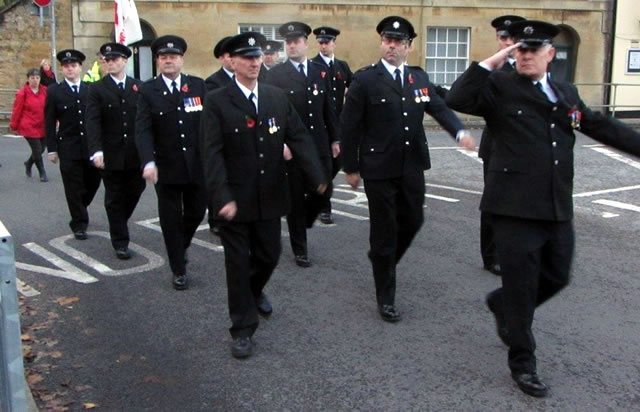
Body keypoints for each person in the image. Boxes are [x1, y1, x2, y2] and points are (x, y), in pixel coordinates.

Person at [445, 20, 640, 398]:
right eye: (521, 49)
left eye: (534, 49)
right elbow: (457, 99)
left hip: (555, 203)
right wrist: (495, 60)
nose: (526, 55)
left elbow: (598, 125)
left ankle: (500, 305)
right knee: (521, 289)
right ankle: (523, 363)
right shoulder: (499, 87)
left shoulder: (564, 92)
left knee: (558, 275)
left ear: (550, 54)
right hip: (513, 208)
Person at [200, 32, 327, 359]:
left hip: (270, 194)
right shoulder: (216, 100)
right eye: (247, 58)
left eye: (257, 57)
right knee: (238, 264)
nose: (255, 63)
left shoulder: (274, 96)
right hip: (234, 199)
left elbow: (298, 137)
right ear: (232, 61)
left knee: (269, 254)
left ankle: (253, 292)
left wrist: (317, 178)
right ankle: (242, 328)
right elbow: (211, 153)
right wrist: (220, 196)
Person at [340, 16, 474, 323]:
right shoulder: (365, 80)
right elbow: (349, 127)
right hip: (378, 168)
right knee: (384, 231)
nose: (392, 46)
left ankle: (382, 261)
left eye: (398, 42)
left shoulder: (418, 78)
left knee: (414, 219)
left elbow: (438, 108)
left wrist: (459, 132)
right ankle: (386, 295)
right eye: (387, 40)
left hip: (411, 164)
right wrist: (350, 166)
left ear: (409, 47)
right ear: (381, 43)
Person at [135, 35, 208, 291]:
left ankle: (181, 244)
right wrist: (148, 162)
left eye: (173, 57)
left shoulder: (198, 86)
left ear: (181, 60)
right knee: (169, 218)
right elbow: (142, 130)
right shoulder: (147, 90)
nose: (169, 61)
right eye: (164, 57)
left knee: (197, 212)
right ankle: (178, 268)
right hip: (165, 167)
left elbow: (209, 125)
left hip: (197, 166)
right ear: (157, 61)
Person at [264, 21, 338, 268]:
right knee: (295, 199)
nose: (292, 46)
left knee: (324, 188)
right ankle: (300, 248)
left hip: (319, 145)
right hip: (292, 149)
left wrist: (336, 138)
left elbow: (329, 108)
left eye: (296, 42)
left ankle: (304, 219)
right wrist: (279, 143)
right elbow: (271, 113)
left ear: (306, 44)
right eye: (288, 42)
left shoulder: (320, 71)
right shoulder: (275, 75)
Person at [86, 42, 146, 260]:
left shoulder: (138, 87)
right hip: (110, 155)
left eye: (115, 59)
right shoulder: (97, 89)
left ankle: (120, 221)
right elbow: (92, 122)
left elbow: (144, 122)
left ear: (125, 61)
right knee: (114, 197)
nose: (110, 63)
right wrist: (96, 150)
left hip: (135, 154)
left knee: (135, 191)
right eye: (107, 60)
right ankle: (120, 241)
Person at [478, 15, 526, 276]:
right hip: (497, 147)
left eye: (511, 38)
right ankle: (491, 255)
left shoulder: (528, 65)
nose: (506, 42)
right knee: (494, 202)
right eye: (502, 38)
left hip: (524, 149)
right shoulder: (492, 69)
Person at [45, 50, 102, 240]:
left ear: (80, 68)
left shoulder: (90, 89)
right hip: (68, 147)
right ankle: (79, 223)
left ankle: (80, 206)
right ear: (62, 69)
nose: (70, 69)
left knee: (92, 183)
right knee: (73, 186)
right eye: (66, 66)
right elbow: (49, 120)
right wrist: (51, 149)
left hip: (90, 146)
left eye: (74, 65)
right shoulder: (54, 91)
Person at [311, 26, 353, 224]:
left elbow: (354, 86)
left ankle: (316, 190)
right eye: (320, 42)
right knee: (326, 166)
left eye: (327, 42)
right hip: (320, 125)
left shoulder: (342, 67)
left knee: (337, 164)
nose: (323, 45)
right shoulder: (312, 66)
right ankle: (324, 207)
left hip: (340, 124)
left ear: (334, 43)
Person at [204, 35, 234, 235]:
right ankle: (215, 217)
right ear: (222, 58)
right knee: (219, 177)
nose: (233, 59)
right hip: (222, 136)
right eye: (229, 55)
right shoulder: (213, 82)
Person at [10, 68, 48, 182]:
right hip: (29, 125)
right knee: (37, 150)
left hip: (42, 125)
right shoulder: (22, 93)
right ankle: (42, 172)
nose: (35, 80)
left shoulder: (45, 91)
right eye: (32, 78)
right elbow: (17, 110)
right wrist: (14, 125)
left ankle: (29, 163)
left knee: (42, 149)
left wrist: (54, 120)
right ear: (28, 79)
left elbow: (50, 108)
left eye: (37, 78)